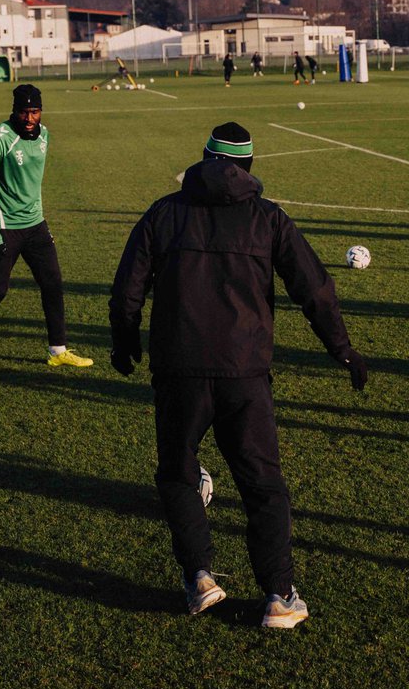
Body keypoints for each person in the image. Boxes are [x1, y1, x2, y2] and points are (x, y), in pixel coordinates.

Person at [109, 122, 367, 629]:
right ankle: (278, 596)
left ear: (204, 158)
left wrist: (125, 342)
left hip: (178, 369)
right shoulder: (268, 218)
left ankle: (200, 578)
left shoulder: (164, 213)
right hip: (245, 373)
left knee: (179, 473)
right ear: (249, 166)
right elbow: (313, 289)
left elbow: (127, 290)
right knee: (263, 485)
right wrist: (343, 349)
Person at [0, 84, 93, 377]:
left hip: (35, 226)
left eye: (35, 111)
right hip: (5, 228)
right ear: (14, 111)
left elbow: (33, 183)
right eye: (24, 112)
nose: (30, 118)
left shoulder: (44, 136)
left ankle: (58, 351)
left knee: (53, 283)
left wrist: (40, 218)